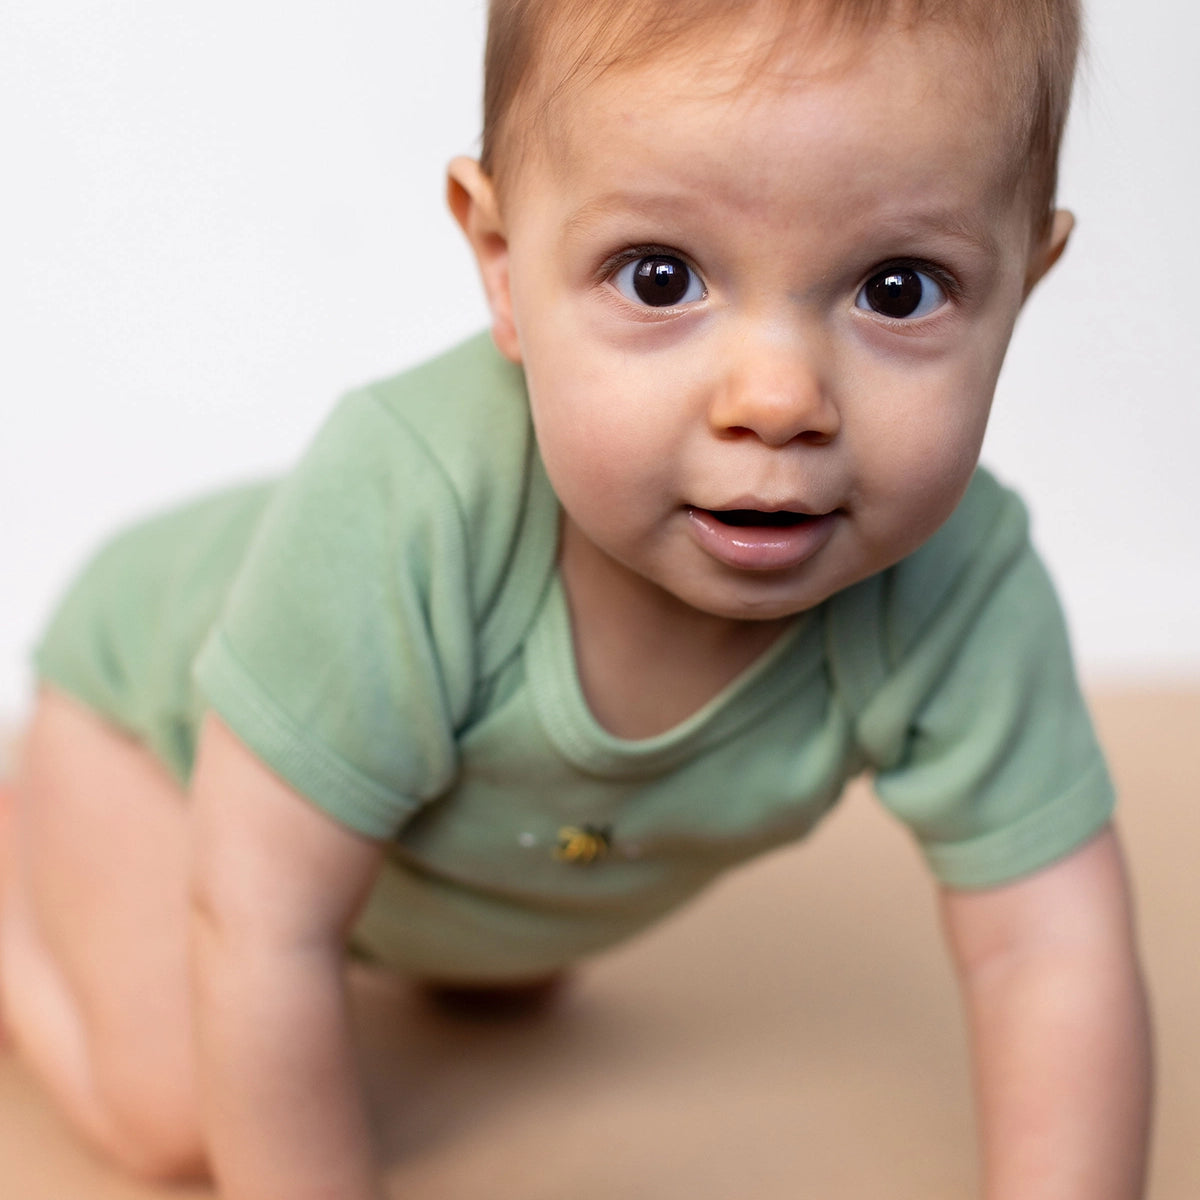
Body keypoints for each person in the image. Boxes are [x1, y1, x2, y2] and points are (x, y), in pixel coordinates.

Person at [0, 0, 1153, 1197]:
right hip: (163, 741)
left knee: (504, 989)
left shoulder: (962, 586)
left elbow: (1047, 949)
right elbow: (258, 920)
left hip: (492, 861)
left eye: (899, 290)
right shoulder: (408, 510)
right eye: (661, 277)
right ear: (503, 265)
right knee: (183, 1116)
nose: (777, 399)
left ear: (1022, 286)